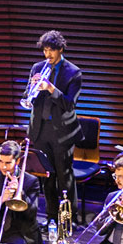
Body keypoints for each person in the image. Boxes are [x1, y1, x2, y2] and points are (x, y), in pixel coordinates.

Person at [25, 30, 83, 223]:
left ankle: (69, 218)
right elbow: (28, 95)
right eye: (45, 50)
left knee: (64, 177)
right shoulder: (37, 67)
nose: (47, 55)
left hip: (62, 133)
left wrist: (50, 88)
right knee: (47, 175)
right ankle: (50, 216)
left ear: (60, 49)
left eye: (51, 50)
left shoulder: (73, 72)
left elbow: (69, 104)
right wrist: (32, 89)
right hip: (40, 130)